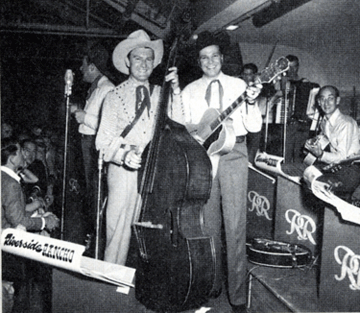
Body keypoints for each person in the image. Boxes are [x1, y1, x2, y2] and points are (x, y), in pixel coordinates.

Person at [181, 31, 262, 313]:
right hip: (203, 159)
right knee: (208, 225)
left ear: (222, 58)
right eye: (204, 57)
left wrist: (251, 102)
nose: (210, 61)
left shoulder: (240, 84)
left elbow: (253, 127)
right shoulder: (188, 91)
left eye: (215, 56)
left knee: (236, 226)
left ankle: (237, 297)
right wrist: (198, 133)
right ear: (198, 61)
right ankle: (212, 285)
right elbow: (184, 128)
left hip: (234, 154)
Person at [95, 29, 184, 265]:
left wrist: (175, 91)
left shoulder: (161, 93)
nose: (143, 64)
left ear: (154, 64)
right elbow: (101, 142)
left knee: (154, 233)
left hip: (156, 173)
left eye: (148, 58)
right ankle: (110, 288)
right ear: (127, 61)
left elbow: (181, 125)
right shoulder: (113, 96)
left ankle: (148, 288)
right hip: (124, 172)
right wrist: (123, 155)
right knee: (118, 233)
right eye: (137, 58)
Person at [1, 138, 59, 312]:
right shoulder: (10, 183)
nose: (24, 156)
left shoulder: (5, 178)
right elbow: (18, 220)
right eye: (19, 152)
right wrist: (44, 222)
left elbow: (13, 212)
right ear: (12, 158)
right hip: (8, 246)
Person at [72, 43, 115, 233]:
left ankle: (97, 233)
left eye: (83, 65)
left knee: (96, 193)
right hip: (87, 145)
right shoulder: (96, 89)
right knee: (90, 192)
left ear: (92, 67)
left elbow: (108, 126)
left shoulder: (107, 89)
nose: (80, 69)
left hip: (94, 147)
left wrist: (83, 117)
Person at [303, 85, 360, 198]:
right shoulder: (324, 121)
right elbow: (324, 140)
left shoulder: (345, 124)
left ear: (337, 100)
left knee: (314, 185)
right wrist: (311, 146)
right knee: (293, 170)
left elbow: (342, 157)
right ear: (318, 102)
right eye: (323, 99)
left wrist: (321, 154)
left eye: (330, 98)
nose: (326, 103)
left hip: (350, 170)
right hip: (334, 167)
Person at [240, 63, 262, 163]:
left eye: (249, 74)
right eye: (244, 74)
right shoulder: (238, 87)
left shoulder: (260, 88)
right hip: (240, 127)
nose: (246, 77)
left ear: (255, 75)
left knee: (250, 157)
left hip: (254, 126)